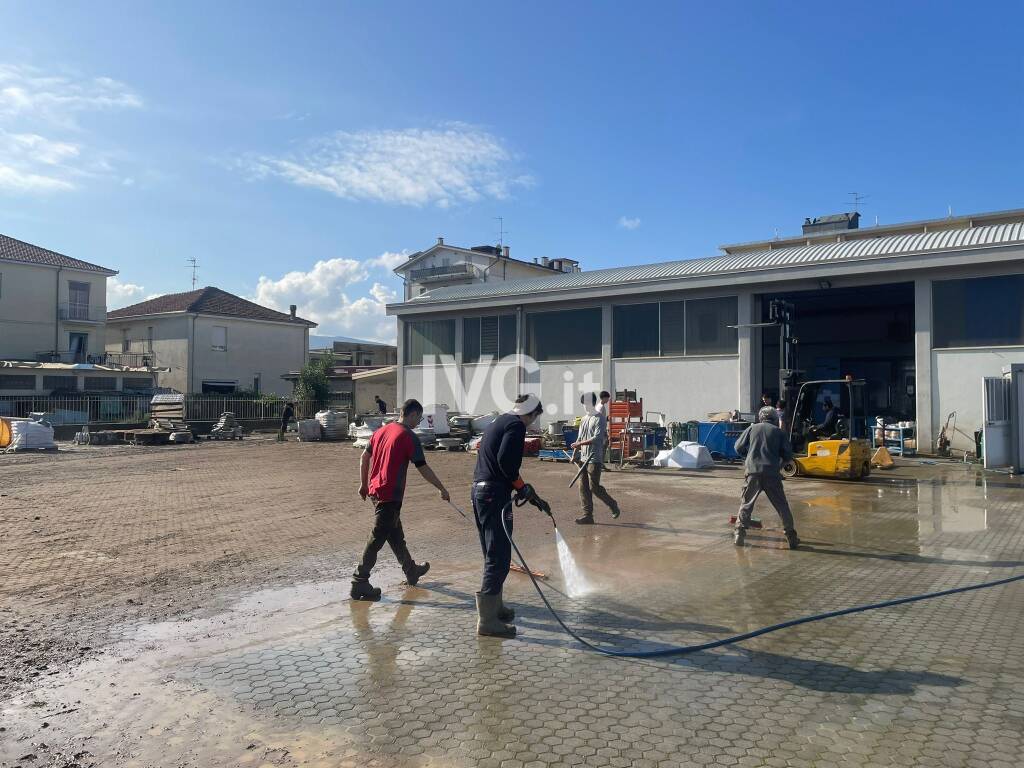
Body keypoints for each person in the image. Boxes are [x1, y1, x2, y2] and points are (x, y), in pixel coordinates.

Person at [352, 398, 450, 601]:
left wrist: (363, 484)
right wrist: (441, 488)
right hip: (390, 495)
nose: (418, 422)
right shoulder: (408, 436)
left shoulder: (382, 431)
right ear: (412, 414)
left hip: (375, 492)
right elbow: (422, 467)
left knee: (395, 534)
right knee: (377, 537)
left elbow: (364, 457)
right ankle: (359, 581)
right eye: (419, 418)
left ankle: (411, 570)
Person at [471, 393, 550, 638]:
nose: (534, 422)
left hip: (480, 491)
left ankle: (495, 607)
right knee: (500, 555)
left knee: (492, 552)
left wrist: (520, 487)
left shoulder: (500, 421)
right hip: (494, 493)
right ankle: (487, 621)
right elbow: (506, 463)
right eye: (536, 416)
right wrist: (521, 486)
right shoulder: (516, 425)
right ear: (533, 412)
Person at [733, 406, 800, 550]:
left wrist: (749, 456)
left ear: (760, 417)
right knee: (782, 506)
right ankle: (791, 537)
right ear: (774, 419)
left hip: (752, 473)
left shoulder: (752, 429)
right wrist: (778, 465)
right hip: (772, 474)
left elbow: (737, 448)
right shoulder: (779, 432)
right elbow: (788, 456)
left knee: (746, 504)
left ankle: (739, 533)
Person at [571, 392, 621, 524]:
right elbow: (579, 438)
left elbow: (597, 438)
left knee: (594, 487)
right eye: (583, 404)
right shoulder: (583, 419)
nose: (584, 407)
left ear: (591, 403)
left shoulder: (600, 418)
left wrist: (579, 444)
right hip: (583, 458)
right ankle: (588, 515)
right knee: (583, 487)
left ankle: (612, 504)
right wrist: (574, 453)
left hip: (594, 458)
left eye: (586, 404)